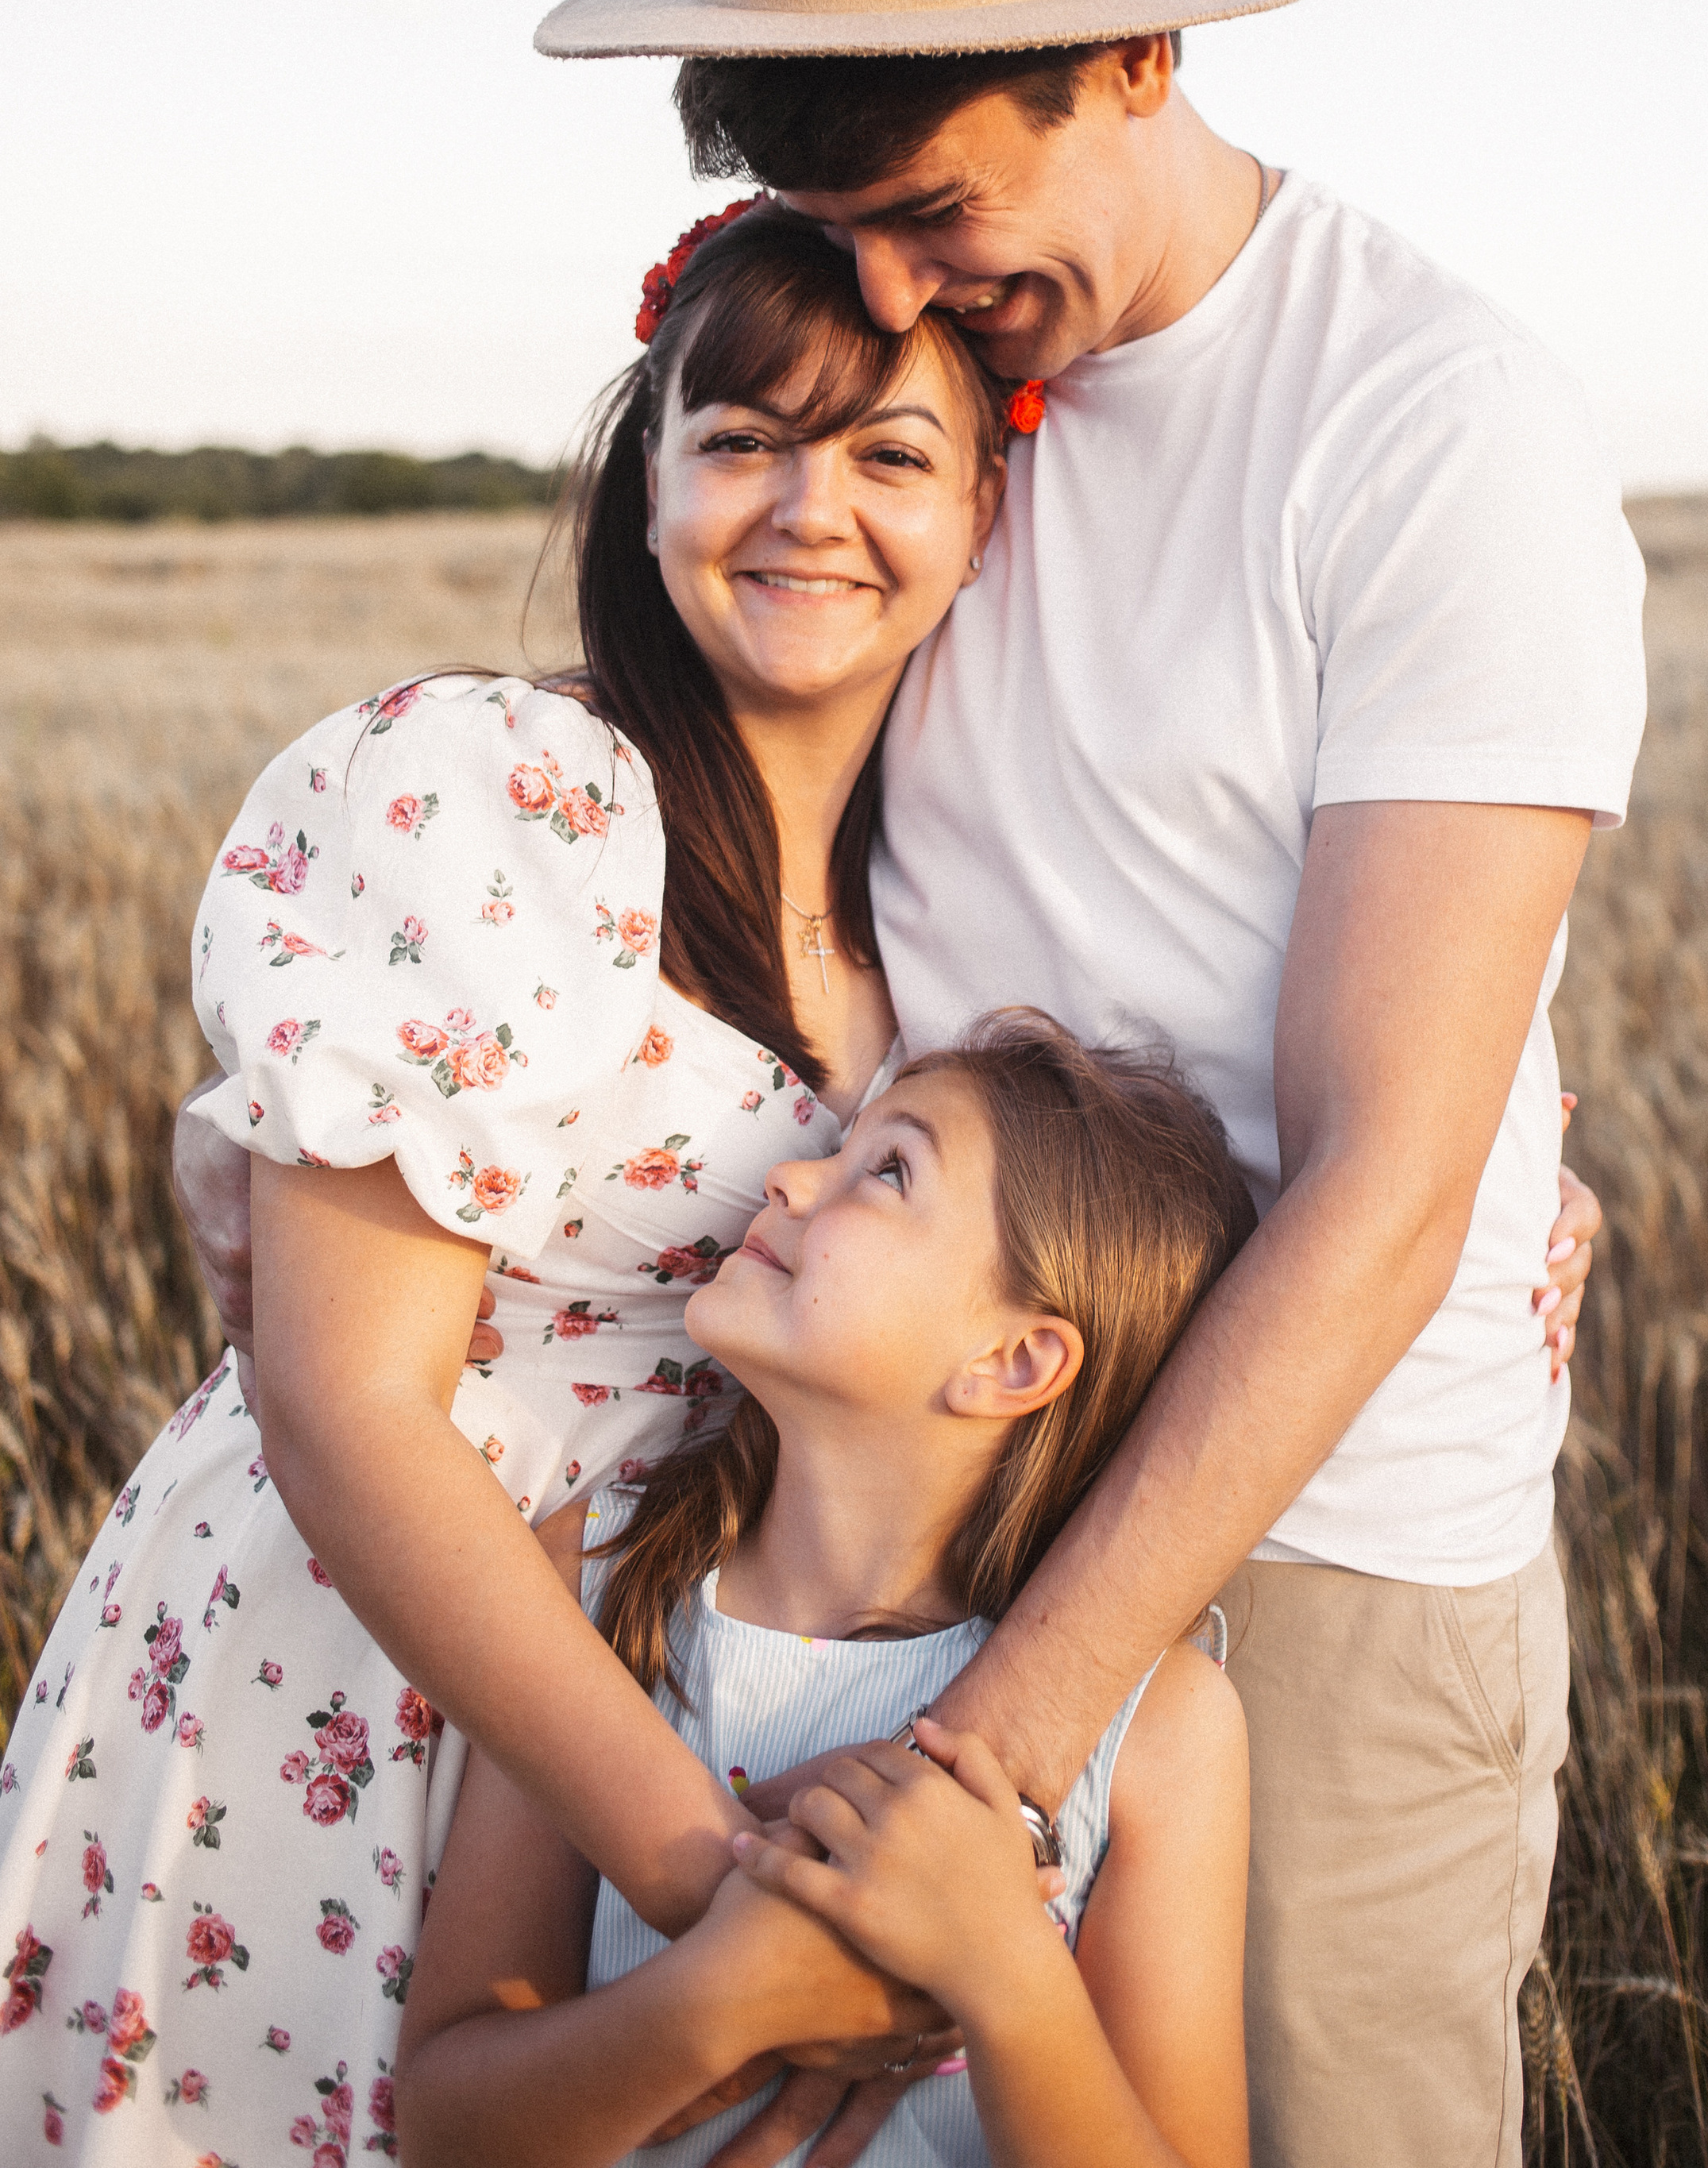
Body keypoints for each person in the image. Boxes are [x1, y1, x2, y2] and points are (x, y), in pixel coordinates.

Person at [169, 0, 1633, 2165]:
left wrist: (986, 1765)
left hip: (1306, 1542)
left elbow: (1385, 1174)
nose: (907, 296)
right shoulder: (946, 402)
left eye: (941, 209)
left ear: (1142, 62)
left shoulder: (1425, 430)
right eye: (838, 233)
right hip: (863, 1534)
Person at [0, 210, 1016, 2156]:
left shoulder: (952, 882)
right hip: (370, 1662)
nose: (808, 507)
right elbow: (347, 1403)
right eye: (737, 439)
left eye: (888, 452)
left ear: (981, 514)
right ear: (650, 485)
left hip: (682, 1669)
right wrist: (701, 1869)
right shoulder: (503, 787)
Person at [395, 1015, 1259, 2168]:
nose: (793, 1179)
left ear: (1014, 1362)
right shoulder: (598, 1582)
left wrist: (1004, 1971)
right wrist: (726, 1998)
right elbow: (449, 2128)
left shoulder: (1157, 1731)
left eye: (887, 1171)